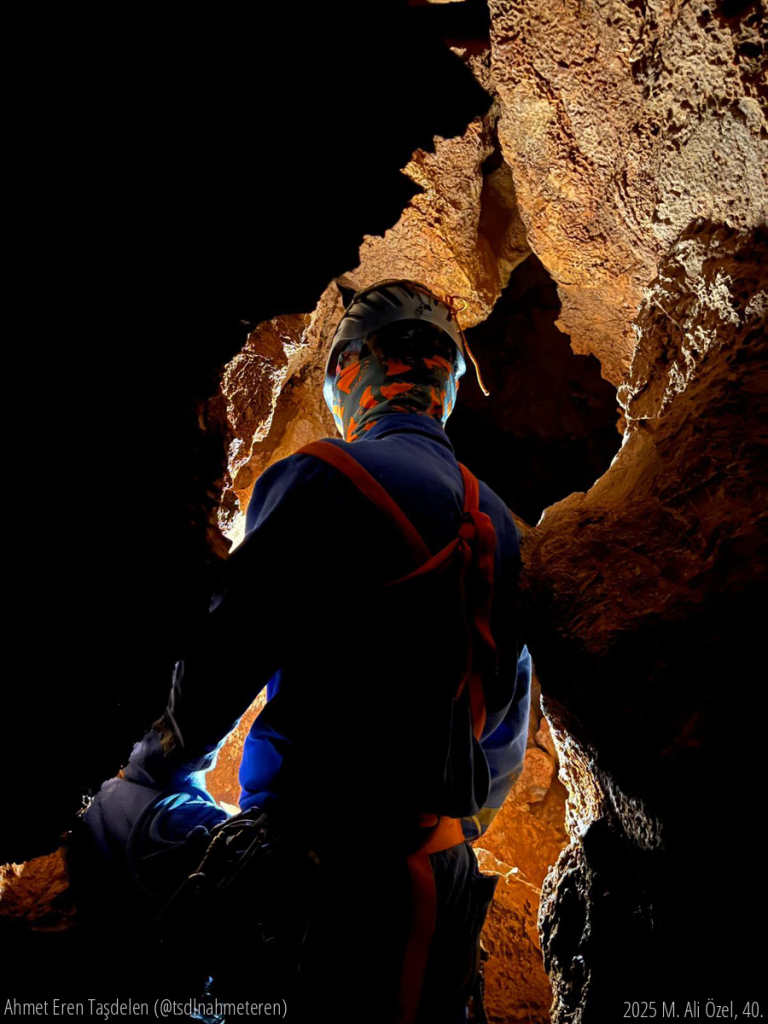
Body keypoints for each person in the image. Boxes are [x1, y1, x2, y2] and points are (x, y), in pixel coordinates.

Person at [70, 279, 532, 1024]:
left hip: (313, 882)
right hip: (439, 887)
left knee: (110, 809)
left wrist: (146, 765)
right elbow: (502, 746)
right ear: (448, 388)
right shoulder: (503, 524)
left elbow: (217, 671)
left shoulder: (327, 475)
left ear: (346, 374)